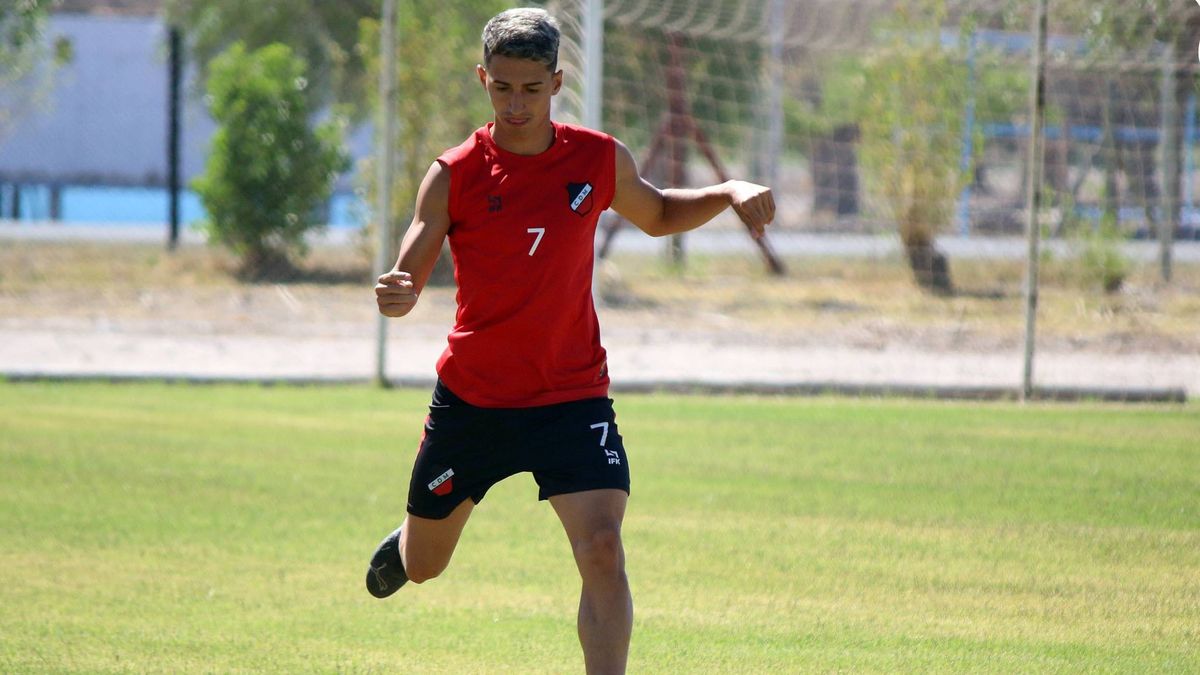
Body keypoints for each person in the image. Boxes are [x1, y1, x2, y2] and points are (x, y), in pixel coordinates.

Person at [366, 7, 774, 673]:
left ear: (557, 83)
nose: (516, 103)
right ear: (483, 79)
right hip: (475, 401)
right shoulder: (456, 172)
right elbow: (411, 258)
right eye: (502, 88)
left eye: (531, 88)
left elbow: (661, 212)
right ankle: (411, 541)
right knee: (425, 564)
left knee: (603, 549)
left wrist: (729, 189)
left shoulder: (596, 157)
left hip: (571, 396)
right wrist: (400, 288)